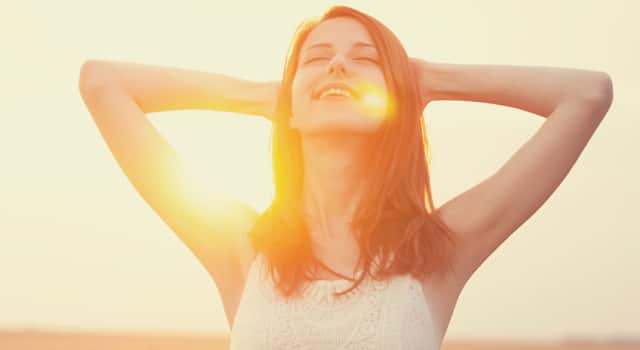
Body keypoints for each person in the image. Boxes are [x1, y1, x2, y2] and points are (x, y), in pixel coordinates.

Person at [78, 5, 613, 349]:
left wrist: (424, 81)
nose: (337, 67)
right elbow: (102, 83)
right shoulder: (239, 247)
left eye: (364, 60)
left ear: (395, 100)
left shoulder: (437, 253)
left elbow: (586, 95)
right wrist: (271, 97)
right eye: (315, 58)